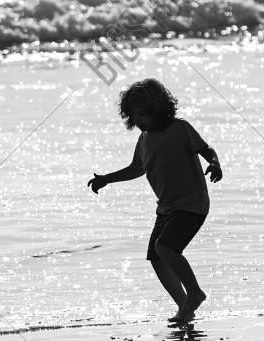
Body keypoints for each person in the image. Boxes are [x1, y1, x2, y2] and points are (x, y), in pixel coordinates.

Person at [88, 78, 221, 323]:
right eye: (132, 117)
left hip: (191, 204)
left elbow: (206, 149)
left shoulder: (180, 129)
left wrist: (214, 163)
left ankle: (194, 292)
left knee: (166, 247)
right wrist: (107, 179)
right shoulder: (144, 140)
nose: (136, 122)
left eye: (141, 115)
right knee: (157, 258)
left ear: (156, 109)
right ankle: (184, 306)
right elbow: (136, 168)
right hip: (167, 208)